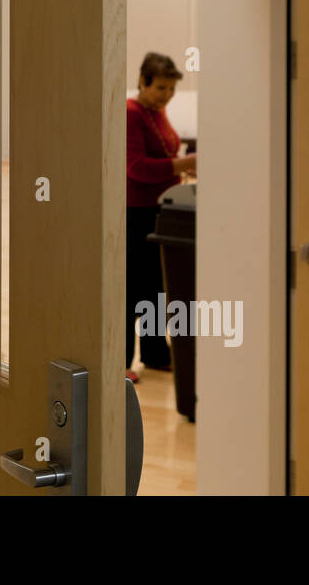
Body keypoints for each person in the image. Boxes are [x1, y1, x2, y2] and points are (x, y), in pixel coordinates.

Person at [125, 52, 195, 382]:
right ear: (142, 82)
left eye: (171, 89)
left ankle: (154, 353)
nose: (167, 95)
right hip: (135, 212)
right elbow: (135, 168)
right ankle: (119, 360)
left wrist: (181, 168)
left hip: (159, 209)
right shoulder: (130, 114)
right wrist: (184, 164)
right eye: (161, 88)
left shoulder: (157, 111)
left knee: (156, 289)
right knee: (130, 289)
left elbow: (166, 154)